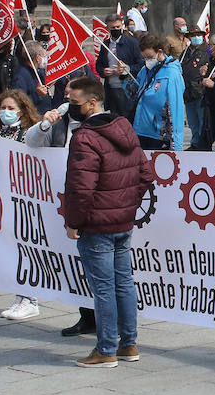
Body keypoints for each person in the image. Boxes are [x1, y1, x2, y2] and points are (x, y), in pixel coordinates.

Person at [62, 75, 155, 368]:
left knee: (104, 288)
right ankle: (128, 344)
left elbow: (80, 187)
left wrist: (73, 221)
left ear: (92, 102)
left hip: (97, 224)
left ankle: (106, 349)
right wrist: (126, 204)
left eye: (73, 102)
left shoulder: (85, 137)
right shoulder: (123, 127)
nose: (69, 106)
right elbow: (146, 174)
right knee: (123, 283)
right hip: (122, 221)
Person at [0, 89, 44, 319]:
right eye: (2, 108)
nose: (5, 112)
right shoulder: (3, 130)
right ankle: (21, 295)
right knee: (14, 249)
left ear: (22, 110)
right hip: (5, 196)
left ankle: (31, 298)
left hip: (25, 198)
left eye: (10, 109)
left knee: (26, 248)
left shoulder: (28, 132)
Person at [130, 34, 186, 150]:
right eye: (144, 57)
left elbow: (176, 109)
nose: (147, 60)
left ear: (159, 52)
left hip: (158, 134)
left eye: (149, 57)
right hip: (141, 129)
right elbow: (137, 90)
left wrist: (177, 145)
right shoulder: (145, 70)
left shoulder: (172, 74)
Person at [96, 14, 143, 118]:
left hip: (127, 89)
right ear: (107, 28)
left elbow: (140, 64)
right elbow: (98, 65)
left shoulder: (132, 43)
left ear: (122, 26)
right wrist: (104, 71)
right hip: (111, 89)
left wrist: (126, 69)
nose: (116, 29)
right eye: (113, 28)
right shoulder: (105, 44)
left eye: (118, 27)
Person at [179, 27, 212, 151]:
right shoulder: (186, 52)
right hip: (187, 91)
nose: (196, 37)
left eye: (198, 34)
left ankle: (203, 143)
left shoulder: (206, 51)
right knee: (192, 120)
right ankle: (195, 142)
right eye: (193, 35)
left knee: (202, 120)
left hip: (200, 90)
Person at [12, 39, 51, 113]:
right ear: (37, 58)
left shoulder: (36, 73)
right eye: (43, 55)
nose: (45, 58)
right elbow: (19, 100)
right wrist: (37, 94)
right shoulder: (21, 76)